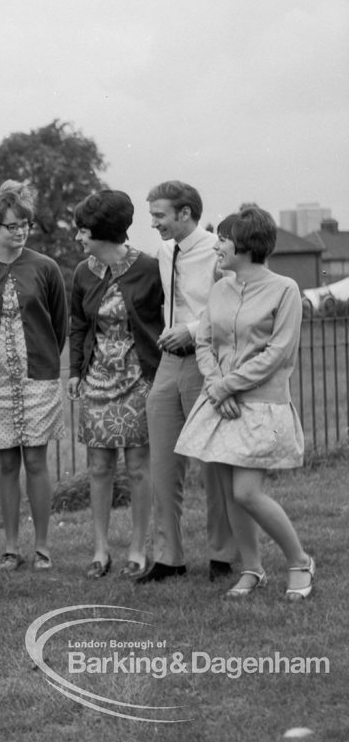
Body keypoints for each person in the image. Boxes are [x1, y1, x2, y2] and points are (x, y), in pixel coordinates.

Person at [175, 208, 314, 600]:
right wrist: (217, 385)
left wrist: (228, 386)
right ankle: (252, 569)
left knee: (246, 492)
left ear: (245, 245)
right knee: (227, 488)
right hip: (220, 402)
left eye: (223, 239)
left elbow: (279, 352)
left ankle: (300, 561)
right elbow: (204, 340)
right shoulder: (220, 287)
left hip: (260, 405)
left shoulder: (285, 289)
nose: (216, 245)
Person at [137, 181, 237, 584]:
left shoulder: (216, 251)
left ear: (185, 213)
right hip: (168, 363)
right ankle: (168, 557)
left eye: (160, 215)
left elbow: (229, 308)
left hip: (205, 361)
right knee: (162, 461)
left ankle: (222, 555)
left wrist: (192, 331)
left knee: (213, 460)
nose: (154, 223)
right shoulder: (163, 252)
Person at [0, 181, 67, 572]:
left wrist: (43, 361)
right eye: (12, 225)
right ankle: (10, 548)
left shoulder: (46, 267)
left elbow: (58, 324)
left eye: (24, 223)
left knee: (38, 462)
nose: (20, 230)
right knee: (7, 464)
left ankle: (42, 547)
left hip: (38, 378)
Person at [66, 191, 163, 579]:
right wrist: (75, 371)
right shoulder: (82, 273)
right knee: (99, 466)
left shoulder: (150, 269)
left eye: (84, 231)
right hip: (97, 381)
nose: (79, 238)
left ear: (105, 233)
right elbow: (77, 325)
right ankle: (100, 550)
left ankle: (138, 549)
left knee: (139, 467)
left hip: (138, 379)